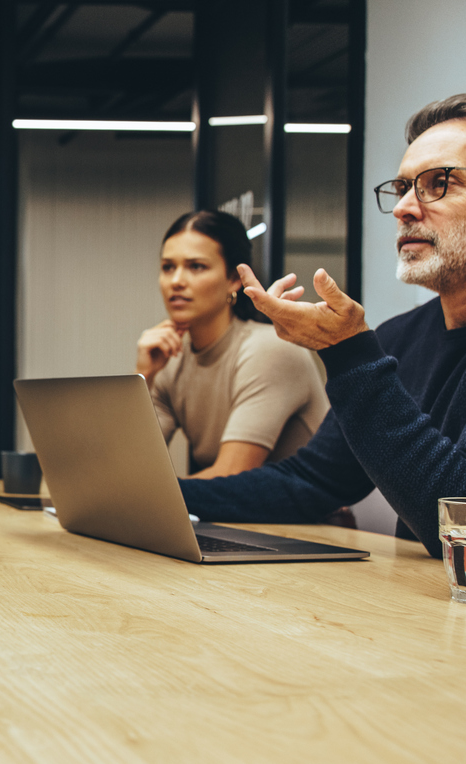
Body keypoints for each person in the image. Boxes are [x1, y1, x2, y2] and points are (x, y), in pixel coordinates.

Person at [179, 94, 466, 558]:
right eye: (403, 187)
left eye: (438, 184)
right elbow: (311, 482)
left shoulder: (374, 349)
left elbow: (458, 522)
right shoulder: (400, 337)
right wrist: (163, 497)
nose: (403, 209)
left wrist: (350, 353)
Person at [135, 210, 328, 478]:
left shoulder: (269, 349)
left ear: (234, 280)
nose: (176, 281)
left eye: (196, 266)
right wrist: (144, 376)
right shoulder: (170, 360)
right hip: (236, 514)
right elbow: (131, 468)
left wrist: (142, 496)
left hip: (304, 518)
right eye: (168, 267)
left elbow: (233, 473)